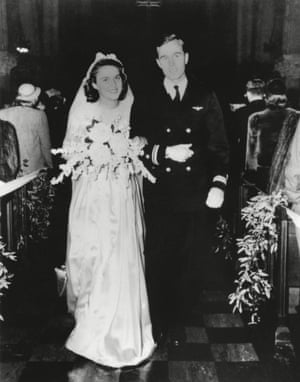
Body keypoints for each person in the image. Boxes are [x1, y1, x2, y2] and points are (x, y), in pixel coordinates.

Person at [131, 33, 229, 345]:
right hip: (161, 191)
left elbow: (220, 147)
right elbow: (134, 144)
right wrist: (164, 152)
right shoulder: (145, 97)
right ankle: (159, 319)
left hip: (197, 191)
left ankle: (183, 313)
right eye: (164, 57)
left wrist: (219, 183)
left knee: (191, 256)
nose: (171, 63)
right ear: (157, 62)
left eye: (177, 55)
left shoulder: (206, 94)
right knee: (160, 255)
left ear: (186, 57)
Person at [63, 53, 155, 368]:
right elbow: (72, 157)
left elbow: (142, 143)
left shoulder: (132, 106)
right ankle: (93, 325)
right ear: (93, 83)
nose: (113, 84)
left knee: (125, 258)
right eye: (105, 79)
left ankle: (128, 332)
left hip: (125, 195)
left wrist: (136, 146)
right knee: (97, 257)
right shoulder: (83, 111)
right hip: (96, 198)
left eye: (117, 78)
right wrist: (96, 158)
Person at [245, 78, 298, 193]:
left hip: (264, 175)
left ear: (266, 95)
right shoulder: (296, 116)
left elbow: (251, 156)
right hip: (290, 175)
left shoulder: (256, 118)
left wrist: (250, 177)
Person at [0, 83, 52, 176]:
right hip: (33, 169)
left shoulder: (2, 113)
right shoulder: (39, 115)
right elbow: (45, 145)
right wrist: (51, 166)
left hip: (8, 168)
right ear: (34, 99)